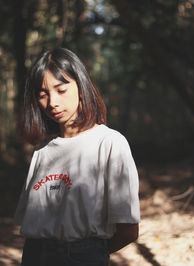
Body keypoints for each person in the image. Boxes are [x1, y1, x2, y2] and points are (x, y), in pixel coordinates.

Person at [14, 47, 140, 266]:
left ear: (81, 86)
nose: (52, 102)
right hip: (34, 255)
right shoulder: (42, 151)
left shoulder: (109, 143)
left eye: (61, 90)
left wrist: (89, 255)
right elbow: (31, 222)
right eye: (42, 95)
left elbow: (128, 230)